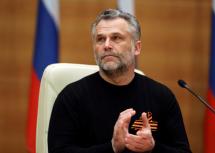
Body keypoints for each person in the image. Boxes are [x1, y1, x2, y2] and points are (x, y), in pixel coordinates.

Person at [48, 9, 192, 153]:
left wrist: (153, 148)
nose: (107, 45)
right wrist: (111, 147)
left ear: (136, 48)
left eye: (116, 38)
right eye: (100, 39)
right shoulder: (71, 97)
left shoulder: (161, 96)